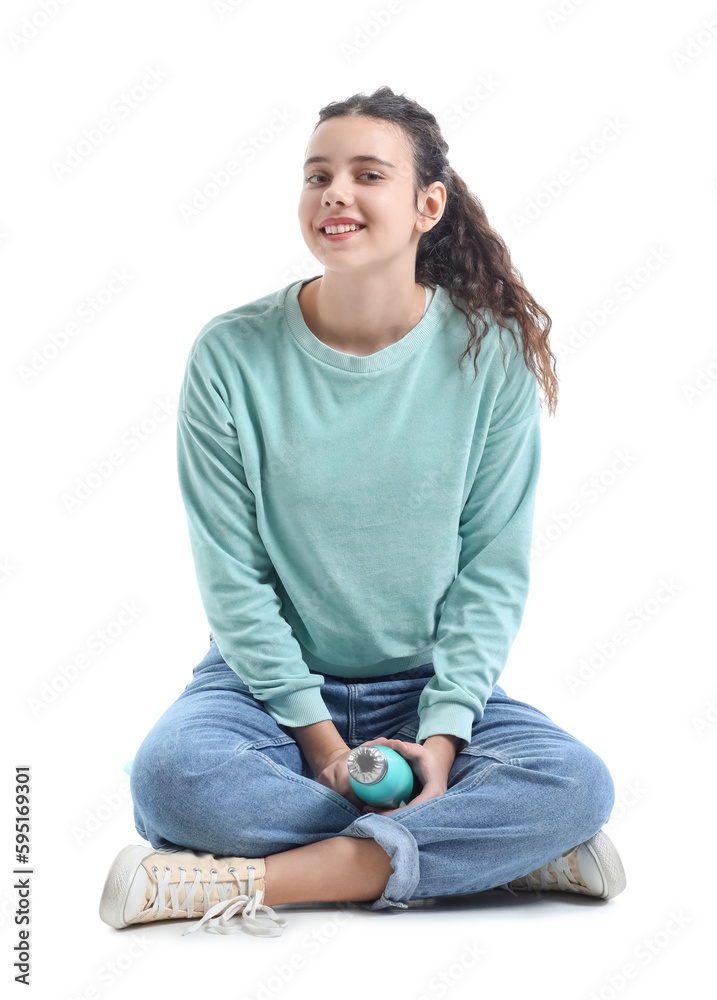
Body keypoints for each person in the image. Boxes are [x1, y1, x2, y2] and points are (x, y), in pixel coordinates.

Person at [99, 86, 625, 939]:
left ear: (427, 205)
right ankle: (507, 857)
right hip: (262, 694)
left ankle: (242, 882)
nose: (334, 193)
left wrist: (447, 743)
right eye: (317, 175)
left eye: (366, 174)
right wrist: (325, 752)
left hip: (426, 691)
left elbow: (492, 569)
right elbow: (232, 577)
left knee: (577, 784)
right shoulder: (232, 354)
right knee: (172, 779)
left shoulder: (488, 355)